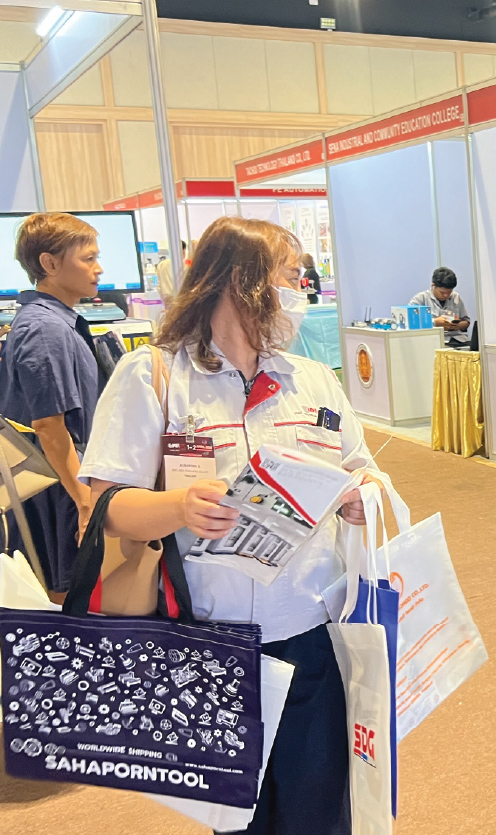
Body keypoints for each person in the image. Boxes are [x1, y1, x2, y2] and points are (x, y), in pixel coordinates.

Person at [78, 216, 378, 835]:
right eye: (289, 277)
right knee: (241, 819)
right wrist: (181, 507)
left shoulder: (311, 380)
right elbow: (107, 505)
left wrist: (361, 495)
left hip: (313, 633)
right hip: (212, 641)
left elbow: (362, 467)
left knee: (322, 809)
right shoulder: (154, 376)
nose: (300, 292)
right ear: (242, 282)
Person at [0, 212, 102, 600]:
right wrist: (83, 500)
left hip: (62, 480)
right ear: (50, 263)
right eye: (88, 258)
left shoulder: (53, 322)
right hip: (59, 487)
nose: (98, 268)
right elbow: (49, 425)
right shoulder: (45, 329)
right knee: (65, 599)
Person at [410, 266, 470, 347]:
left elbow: (466, 321)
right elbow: (411, 323)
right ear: (433, 286)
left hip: (458, 340)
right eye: (442, 292)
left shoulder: (456, 297)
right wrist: (434, 322)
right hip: (433, 341)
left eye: (449, 292)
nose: (446, 295)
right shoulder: (420, 299)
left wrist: (457, 326)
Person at [154, 240, 186, 304]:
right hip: (181, 301)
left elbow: (159, 286)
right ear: (183, 251)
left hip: (167, 300)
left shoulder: (161, 265)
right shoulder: (185, 266)